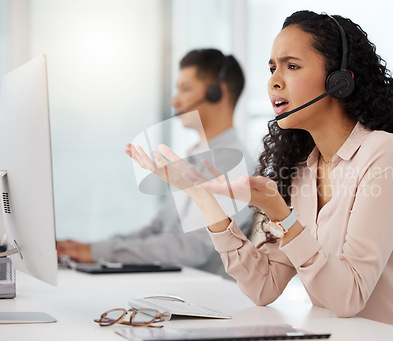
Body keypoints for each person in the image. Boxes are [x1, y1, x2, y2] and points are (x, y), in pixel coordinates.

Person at [126, 11, 393, 341]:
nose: (274, 80)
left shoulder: (385, 154)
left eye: (291, 66)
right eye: (273, 67)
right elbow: (263, 287)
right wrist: (203, 196)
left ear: (338, 81)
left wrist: (281, 214)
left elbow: (348, 296)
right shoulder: (302, 171)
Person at [57, 49, 255, 278]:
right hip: (175, 285)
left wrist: (98, 252)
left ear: (215, 93)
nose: (175, 100)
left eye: (185, 89)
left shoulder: (231, 166)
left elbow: (190, 249)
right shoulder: (198, 157)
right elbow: (158, 229)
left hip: (204, 296)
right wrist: (92, 250)